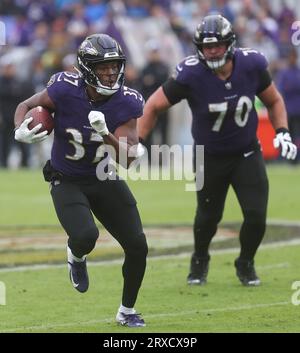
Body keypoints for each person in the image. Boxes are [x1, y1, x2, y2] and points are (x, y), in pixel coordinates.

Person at [138, 15, 297, 287]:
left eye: (217, 45)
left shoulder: (252, 64)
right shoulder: (190, 73)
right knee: (208, 217)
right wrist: (140, 140)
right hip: (207, 156)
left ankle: (245, 262)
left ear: (230, 44)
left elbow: (274, 100)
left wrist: (282, 131)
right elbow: (153, 105)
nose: (211, 51)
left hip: (247, 152)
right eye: (206, 46)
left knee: (257, 216)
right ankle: (200, 258)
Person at [14, 34, 148, 327]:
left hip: (103, 175)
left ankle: (127, 310)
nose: (111, 73)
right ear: (87, 68)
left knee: (137, 245)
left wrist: (105, 134)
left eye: (114, 66)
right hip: (67, 178)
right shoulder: (63, 89)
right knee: (86, 236)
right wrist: (19, 130)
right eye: (103, 67)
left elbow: (126, 160)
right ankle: (76, 255)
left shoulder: (127, 101)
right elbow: (26, 105)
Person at [277, 47, 300, 163]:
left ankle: (296, 158)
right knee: (287, 135)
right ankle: (287, 158)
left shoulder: (298, 72)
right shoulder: (284, 73)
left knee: (297, 135)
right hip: (287, 110)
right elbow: (280, 91)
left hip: (297, 110)